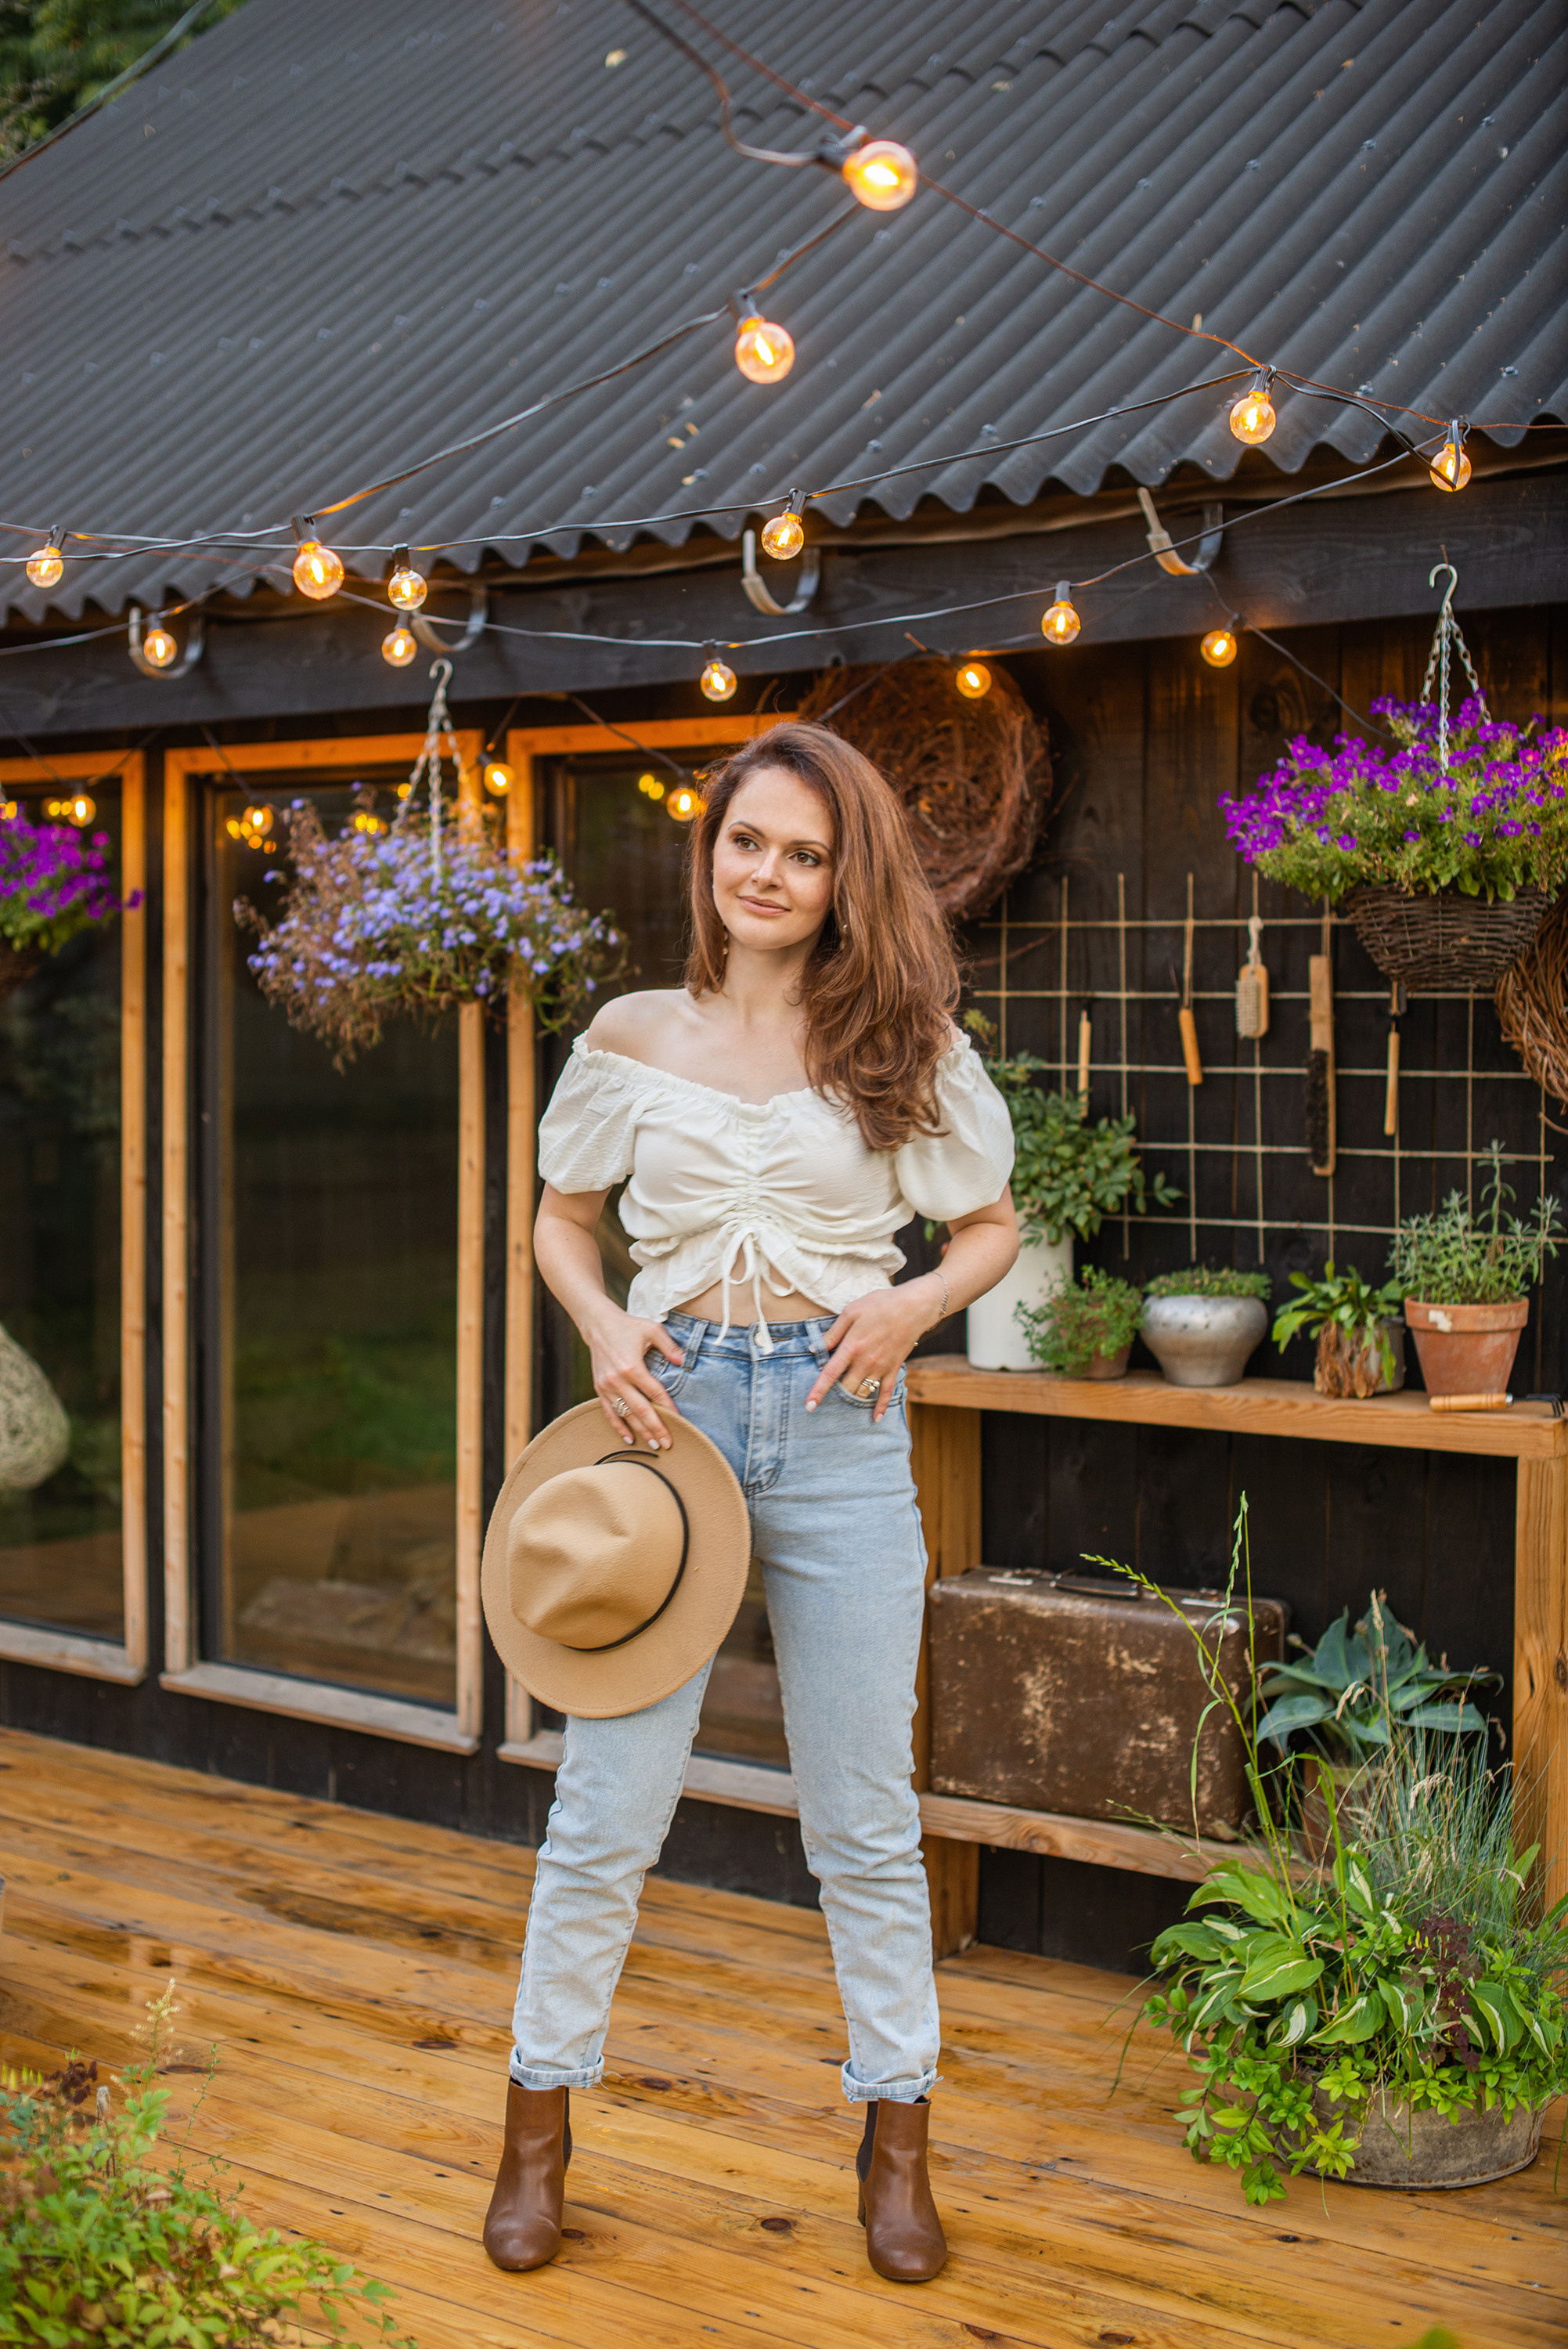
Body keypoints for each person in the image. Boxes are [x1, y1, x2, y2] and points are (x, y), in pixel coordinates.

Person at [484, 720, 1017, 2282]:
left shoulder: (898, 1033)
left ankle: (896, 2138)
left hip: (845, 1428)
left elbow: (986, 1225)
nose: (770, 875)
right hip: (668, 1429)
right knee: (607, 1812)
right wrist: (598, 1322)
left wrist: (915, 1307)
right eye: (748, 844)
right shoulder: (635, 1037)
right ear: (707, 855)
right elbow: (561, 1219)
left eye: (804, 853)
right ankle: (536, 2130)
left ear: (842, 878)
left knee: (864, 1820)